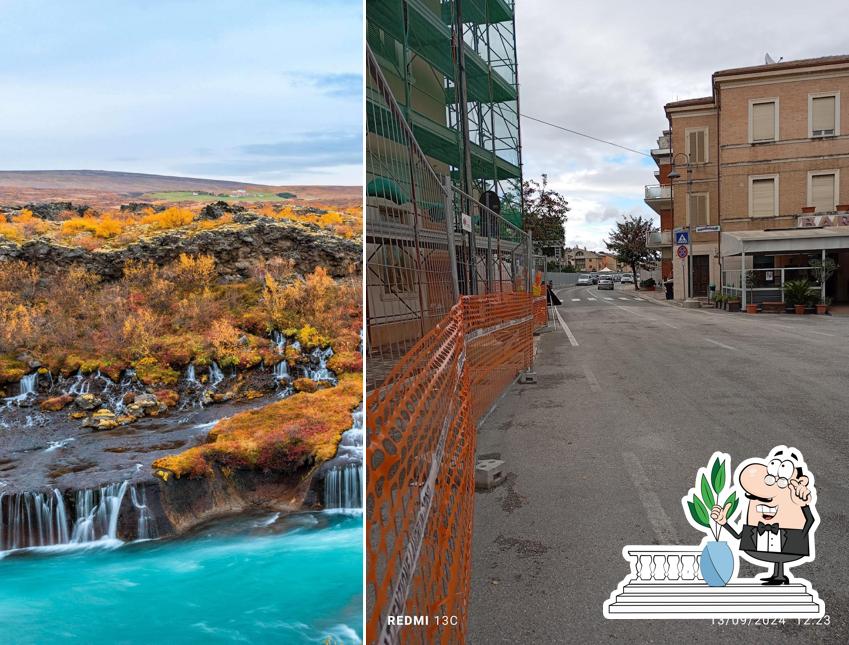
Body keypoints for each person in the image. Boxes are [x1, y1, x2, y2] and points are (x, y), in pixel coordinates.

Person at [710, 447, 816, 585]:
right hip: (763, 541)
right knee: (776, 555)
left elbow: (811, 519)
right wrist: (724, 522)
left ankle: (779, 575)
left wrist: (803, 509)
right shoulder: (754, 525)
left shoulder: (794, 505)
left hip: (789, 541)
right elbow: (738, 536)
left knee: (781, 554)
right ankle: (777, 575)